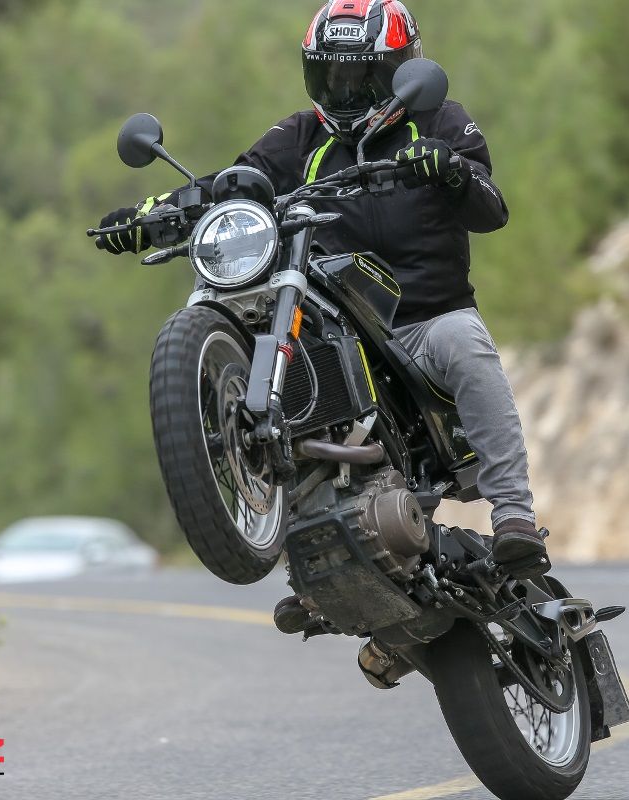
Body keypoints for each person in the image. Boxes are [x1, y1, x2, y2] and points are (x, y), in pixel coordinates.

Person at [95, 0, 547, 624]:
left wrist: (449, 170)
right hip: (339, 318)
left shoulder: (439, 119)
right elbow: (236, 182)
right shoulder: (299, 136)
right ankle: (316, 562)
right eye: (331, 75)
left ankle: (514, 515)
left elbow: (491, 208)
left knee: (467, 345)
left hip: (424, 320)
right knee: (289, 373)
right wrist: (152, 214)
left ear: (400, 71)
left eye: (361, 76)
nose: (345, 90)